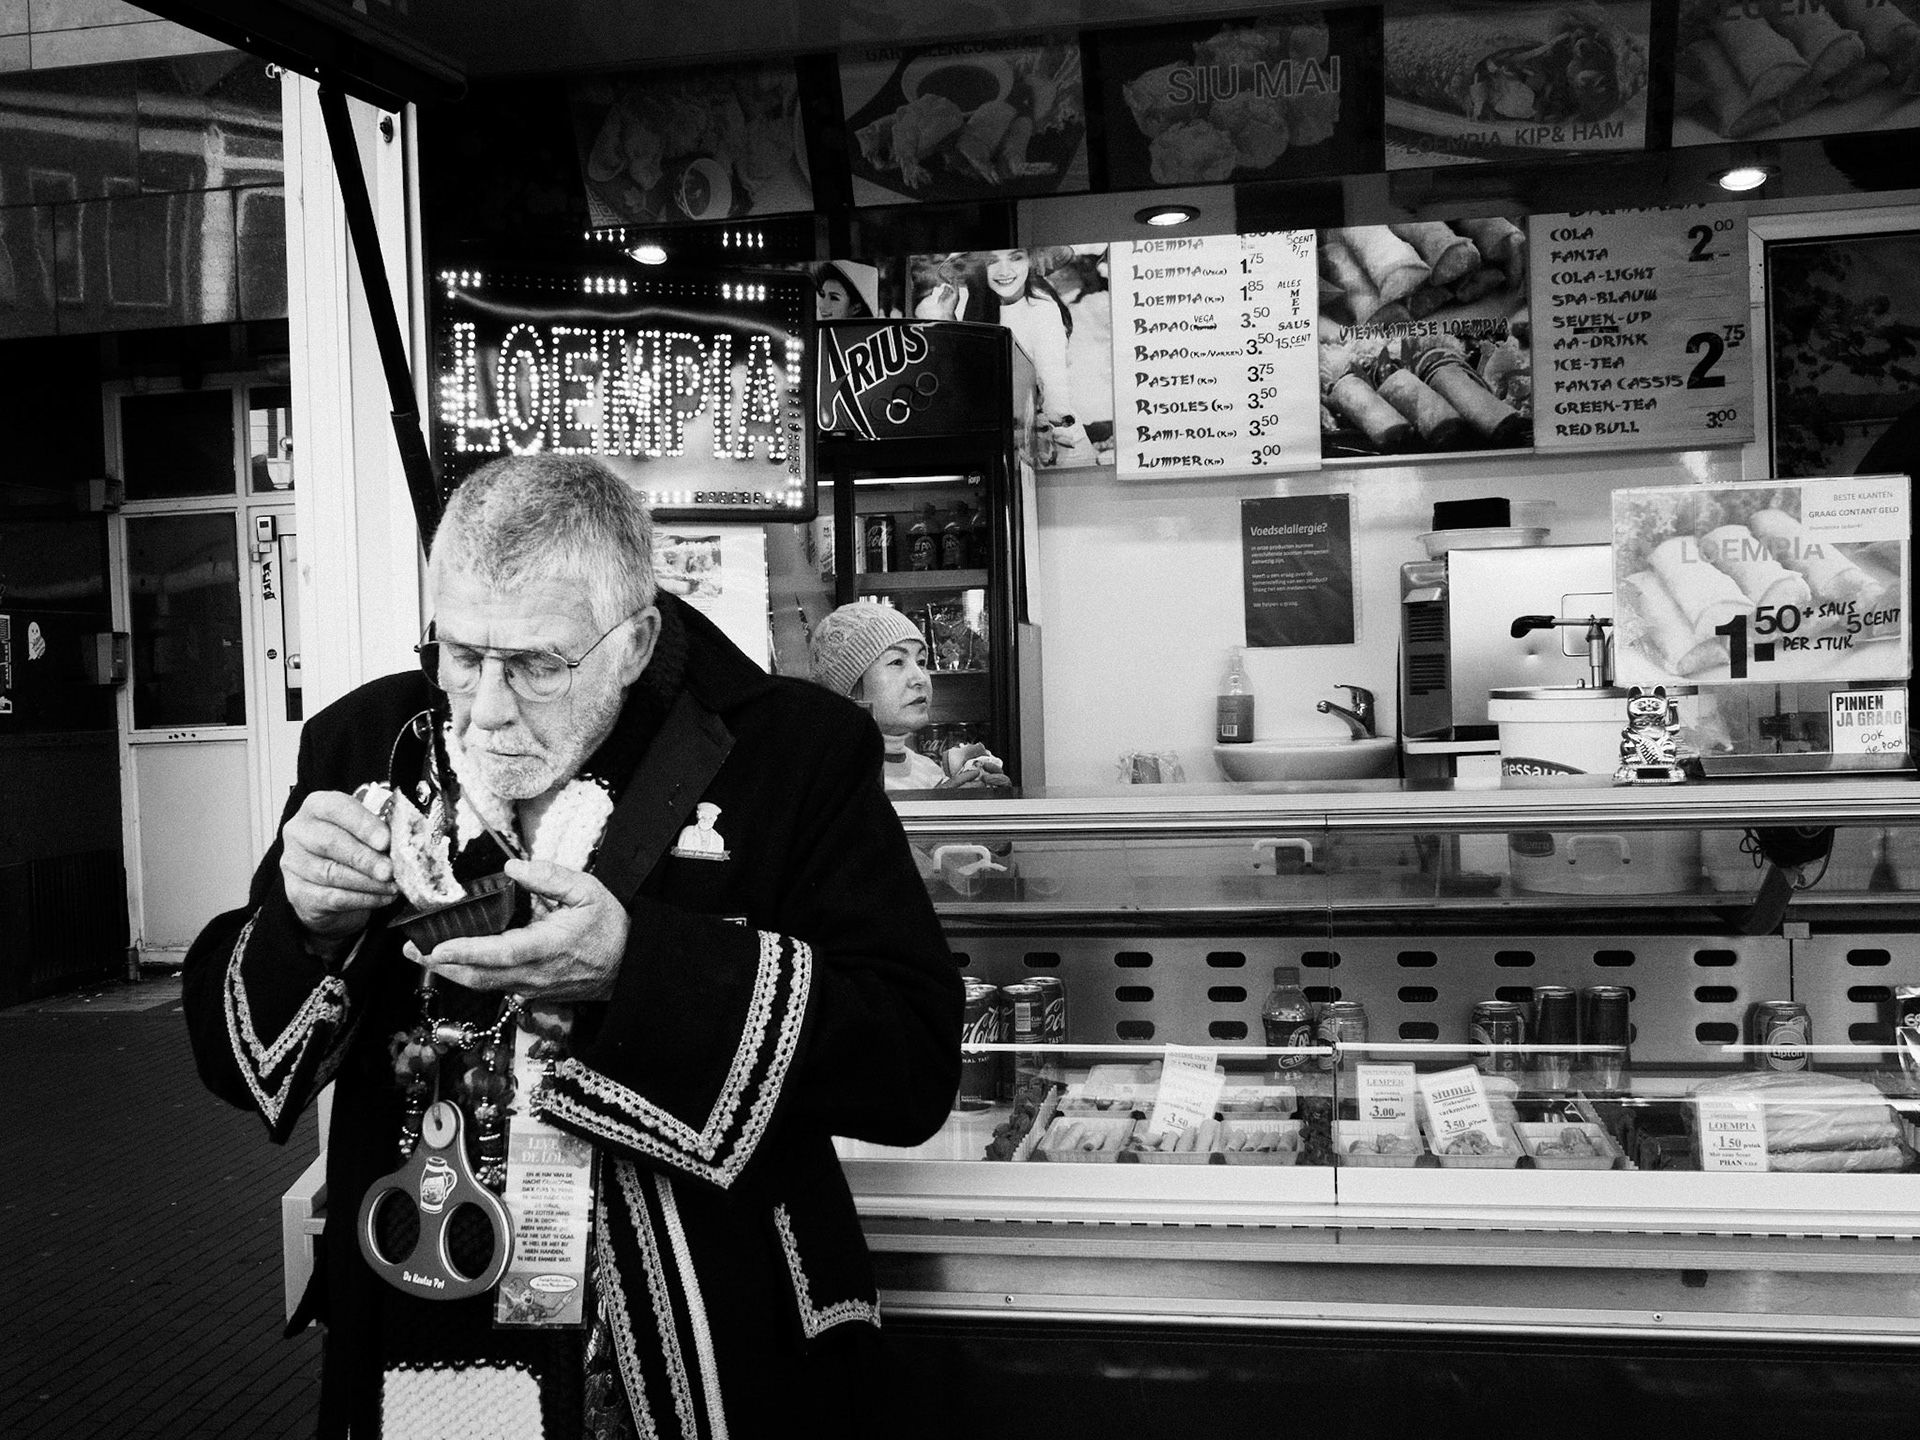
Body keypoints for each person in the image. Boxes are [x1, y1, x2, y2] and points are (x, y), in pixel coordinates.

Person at [182, 455, 961, 1439]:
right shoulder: (367, 743)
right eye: (462, 655)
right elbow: (228, 1057)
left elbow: (911, 1062)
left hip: (707, 1349)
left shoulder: (794, 755)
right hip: (434, 1331)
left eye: (541, 664)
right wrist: (304, 924)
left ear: (634, 642)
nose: (490, 709)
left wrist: (641, 970)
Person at [913, 249, 1092, 465]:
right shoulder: (968, 306)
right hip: (1000, 440)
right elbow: (959, 380)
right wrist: (947, 317)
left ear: (1030, 262)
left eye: (1016, 258)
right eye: (991, 261)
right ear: (978, 267)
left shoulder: (1041, 309)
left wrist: (1055, 427)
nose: (1005, 270)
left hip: (1053, 444)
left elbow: (1054, 386)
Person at [808, 602, 1010, 791]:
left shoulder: (931, 772)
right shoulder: (827, 784)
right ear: (848, 684)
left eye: (921, 661)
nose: (920, 678)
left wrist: (994, 804)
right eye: (897, 662)